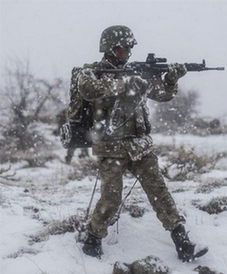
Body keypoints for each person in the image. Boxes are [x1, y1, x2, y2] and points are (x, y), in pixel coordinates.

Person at [78, 25, 204, 262]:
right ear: (110, 49)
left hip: (140, 145)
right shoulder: (92, 72)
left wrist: (170, 79)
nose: (128, 52)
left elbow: (162, 95)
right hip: (111, 147)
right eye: (123, 47)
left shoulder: (135, 74)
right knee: (111, 198)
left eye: (129, 47)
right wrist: (125, 84)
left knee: (159, 192)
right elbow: (87, 89)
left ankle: (182, 242)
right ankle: (93, 240)